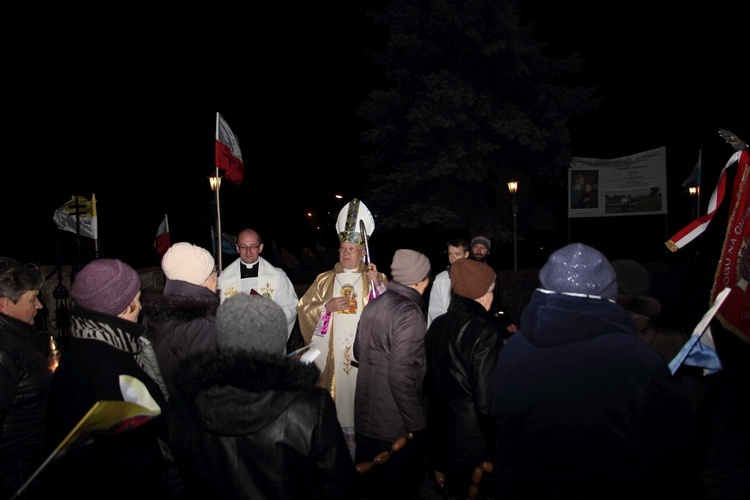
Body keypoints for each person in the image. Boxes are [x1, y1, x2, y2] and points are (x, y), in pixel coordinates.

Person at [488, 243, 704, 498]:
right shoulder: (638, 360)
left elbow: (498, 415)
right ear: (609, 294)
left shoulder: (515, 350)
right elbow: (673, 445)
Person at [168, 293, 356, 499]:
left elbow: (174, 480)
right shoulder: (311, 407)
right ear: (276, 340)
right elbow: (337, 486)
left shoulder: (183, 403)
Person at [40, 258, 184, 499]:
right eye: (136, 299)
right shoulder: (110, 368)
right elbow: (139, 456)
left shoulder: (86, 339)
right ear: (120, 306)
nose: (140, 306)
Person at [297, 199, 387, 456]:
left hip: (365, 360)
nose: (345, 253)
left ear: (362, 252)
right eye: (342, 248)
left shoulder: (375, 278)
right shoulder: (325, 280)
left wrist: (377, 288)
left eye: (351, 249)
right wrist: (326, 307)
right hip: (333, 359)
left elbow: (388, 314)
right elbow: (304, 309)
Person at [353, 249, 431, 499]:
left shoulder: (375, 304)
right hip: (393, 424)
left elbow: (357, 351)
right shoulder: (409, 313)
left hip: (366, 416)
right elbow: (400, 376)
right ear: (420, 279)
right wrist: (418, 426)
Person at [424, 258, 503, 500]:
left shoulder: (436, 325)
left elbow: (432, 385)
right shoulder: (485, 333)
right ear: (481, 293)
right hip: (473, 441)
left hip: (441, 433)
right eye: (492, 289)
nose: (493, 296)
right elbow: (487, 402)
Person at [140, 242, 220, 399]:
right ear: (203, 280)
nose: (217, 277)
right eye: (215, 272)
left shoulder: (153, 313)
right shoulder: (203, 324)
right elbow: (209, 388)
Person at [0, 257, 51, 499]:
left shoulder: (19, 339)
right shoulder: (4, 351)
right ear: (4, 305)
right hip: (16, 477)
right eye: (32, 299)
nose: (39, 305)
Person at [217, 228, 298, 338]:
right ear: (237, 248)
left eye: (253, 246)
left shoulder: (278, 276)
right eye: (243, 246)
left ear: (260, 247)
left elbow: (291, 306)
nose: (248, 251)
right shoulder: (224, 278)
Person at [469, 235, 517, 336]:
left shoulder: (491, 273)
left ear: (488, 252)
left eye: (482, 248)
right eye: (475, 247)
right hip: (468, 323)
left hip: (487, 323)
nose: (478, 251)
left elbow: (496, 300)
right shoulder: (464, 271)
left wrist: (507, 321)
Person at [426, 237, 469, 328]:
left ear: (466, 254)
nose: (453, 258)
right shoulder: (441, 279)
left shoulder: (475, 277)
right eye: (450, 254)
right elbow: (434, 312)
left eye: (457, 254)